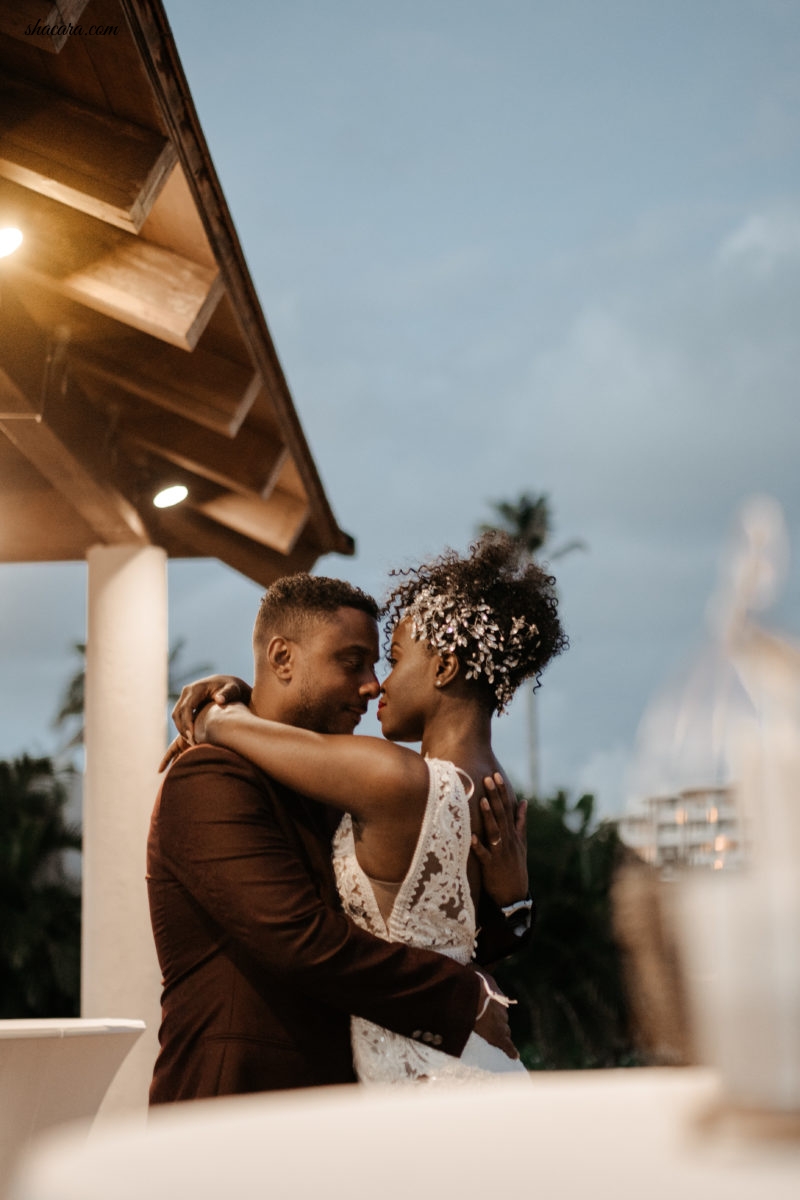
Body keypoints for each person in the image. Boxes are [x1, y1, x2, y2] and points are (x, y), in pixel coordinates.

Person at [171, 533, 568, 1083]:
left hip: (391, 1082)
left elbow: (442, 939)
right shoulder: (212, 775)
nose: (372, 684)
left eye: (386, 661)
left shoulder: (381, 778)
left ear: (445, 668)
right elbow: (300, 940)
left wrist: (220, 714)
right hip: (245, 1092)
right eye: (353, 662)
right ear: (282, 657)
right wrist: (486, 961)